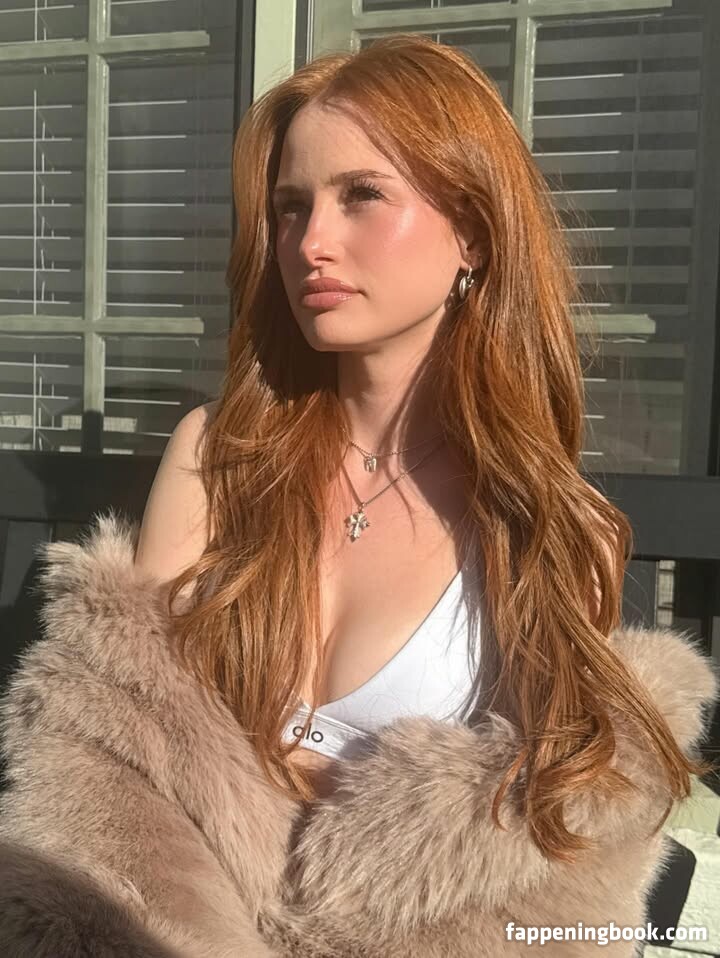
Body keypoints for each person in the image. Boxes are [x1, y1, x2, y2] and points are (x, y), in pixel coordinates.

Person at [0, 33, 717, 958]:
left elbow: (537, 874)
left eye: (363, 195)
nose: (311, 243)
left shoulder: (540, 530)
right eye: (291, 206)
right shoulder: (220, 458)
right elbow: (116, 765)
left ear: (473, 233)